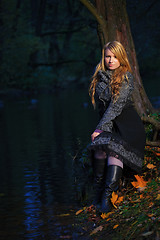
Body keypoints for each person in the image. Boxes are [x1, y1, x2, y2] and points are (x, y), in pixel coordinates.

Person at [88, 41, 146, 213]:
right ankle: (97, 194)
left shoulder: (126, 77)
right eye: (108, 56)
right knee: (99, 148)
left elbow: (115, 106)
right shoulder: (100, 79)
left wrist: (99, 129)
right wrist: (101, 129)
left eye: (115, 57)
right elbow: (102, 109)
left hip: (129, 128)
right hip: (112, 126)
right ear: (103, 57)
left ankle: (107, 196)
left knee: (113, 149)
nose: (111, 60)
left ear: (121, 58)